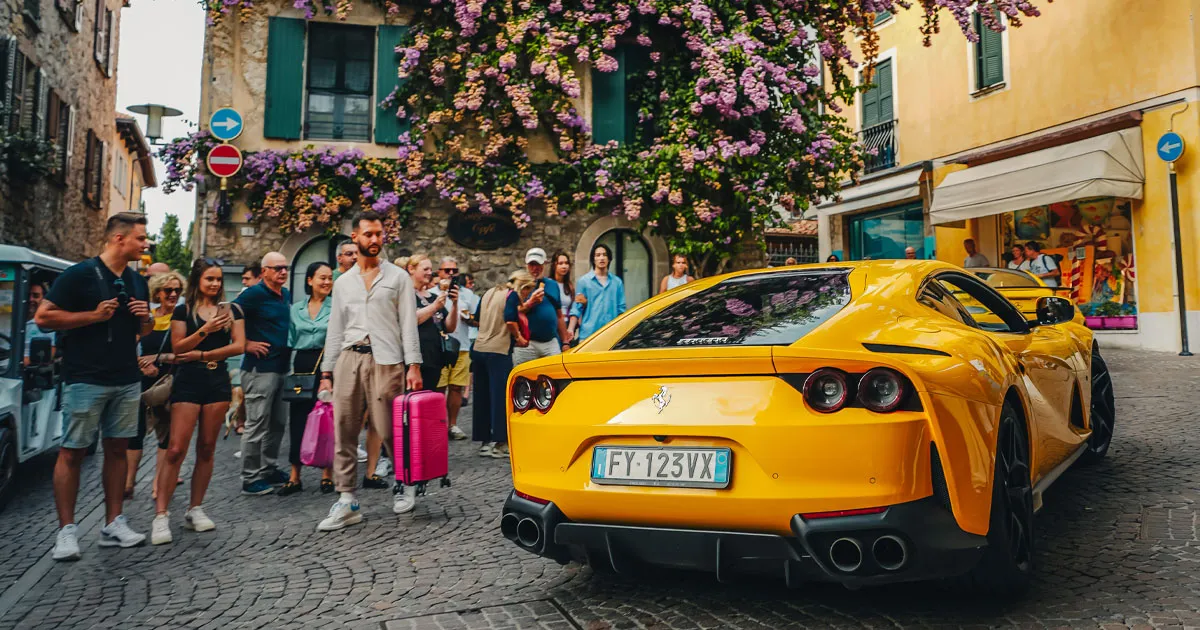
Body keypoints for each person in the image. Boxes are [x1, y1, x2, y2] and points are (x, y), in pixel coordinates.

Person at [35, 212, 153, 561]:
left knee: (118, 451)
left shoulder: (136, 280)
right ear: (119, 239)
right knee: (73, 452)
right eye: (141, 238)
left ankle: (113, 523)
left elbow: (142, 332)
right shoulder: (79, 275)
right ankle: (66, 532)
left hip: (126, 378)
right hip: (84, 377)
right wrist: (92, 316)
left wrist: (144, 317)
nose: (145, 245)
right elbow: (43, 317)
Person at [317, 212, 424, 531]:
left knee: (389, 428)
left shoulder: (398, 278)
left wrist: (413, 364)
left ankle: (404, 483)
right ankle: (347, 498)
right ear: (355, 238)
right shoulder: (343, 283)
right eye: (368, 235)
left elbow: (408, 323)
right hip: (350, 358)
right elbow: (334, 328)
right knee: (345, 429)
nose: (375, 240)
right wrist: (327, 371)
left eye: (379, 234)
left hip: (387, 359)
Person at [151, 258, 246, 545]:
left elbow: (239, 345)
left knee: (207, 447)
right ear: (198, 281)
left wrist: (204, 354)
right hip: (188, 380)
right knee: (176, 448)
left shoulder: (233, 310)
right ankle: (161, 515)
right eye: (210, 279)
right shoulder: (183, 310)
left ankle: (195, 508)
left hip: (216, 380)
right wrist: (206, 330)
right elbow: (178, 347)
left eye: (218, 279)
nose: (216, 284)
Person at [234, 252, 292, 496]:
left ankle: (268, 468)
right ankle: (250, 478)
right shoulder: (252, 294)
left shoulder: (285, 294)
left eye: (285, 267)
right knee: (256, 423)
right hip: (259, 370)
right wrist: (245, 344)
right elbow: (228, 316)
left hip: (281, 367)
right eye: (277, 268)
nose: (283, 272)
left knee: (277, 423)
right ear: (264, 271)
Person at [280, 262, 335, 497]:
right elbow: (290, 341)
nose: (326, 282)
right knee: (298, 420)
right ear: (310, 280)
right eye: (322, 278)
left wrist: (329, 373)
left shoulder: (336, 307)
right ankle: (295, 475)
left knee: (327, 420)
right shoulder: (295, 309)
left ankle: (327, 474)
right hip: (302, 364)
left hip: (329, 364)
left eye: (330, 278)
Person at [129, 271, 185, 501]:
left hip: (170, 382)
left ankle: (158, 483)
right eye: (168, 290)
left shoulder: (182, 319)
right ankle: (128, 481)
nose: (172, 294)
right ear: (157, 293)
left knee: (167, 435)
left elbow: (185, 353)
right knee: (135, 432)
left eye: (177, 290)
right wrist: (141, 366)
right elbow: (130, 346)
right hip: (142, 381)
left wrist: (158, 360)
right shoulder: (147, 318)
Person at [474, 270, 532, 459]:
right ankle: (500, 443)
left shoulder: (489, 293)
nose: (526, 296)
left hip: (480, 348)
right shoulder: (512, 295)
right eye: (527, 291)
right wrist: (519, 337)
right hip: (499, 350)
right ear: (523, 287)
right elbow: (509, 320)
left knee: (482, 397)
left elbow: (475, 317)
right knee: (501, 397)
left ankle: (484, 442)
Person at [431, 257, 475, 441]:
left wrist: (468, 317)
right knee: (439, 388)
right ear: (439, 272)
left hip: (461, 344)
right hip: (439, 346)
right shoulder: (431, 293)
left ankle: (453, 424)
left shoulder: (467, 294)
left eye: (454, 271)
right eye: (446, 270)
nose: (450, 274)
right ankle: (438, 424)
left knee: (456, 387)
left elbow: (475, 317)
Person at [408, 254, 459, 393]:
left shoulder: (433, 297)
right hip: (414, 361)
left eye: (431, 269)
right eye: (425, 269)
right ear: (411, 269)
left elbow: (449, 327)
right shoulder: (405, 294)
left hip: (434, 359)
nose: (430, 273)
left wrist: (454, 304)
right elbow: (411, 320)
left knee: (429, 402)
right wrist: (434, 307)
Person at [508, 248, 564, 366]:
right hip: (527, 344)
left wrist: (565, 342)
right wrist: (530, 303)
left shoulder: (552, 285)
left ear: (545, 264)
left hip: (550, 342)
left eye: (538, 264)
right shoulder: (519, 285)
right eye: (532, 265)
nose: (535, 268)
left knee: (556, 378)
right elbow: (511, 314)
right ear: (526, 265)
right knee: (523, 380)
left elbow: (559, 314)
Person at [570, 244, 627, 342]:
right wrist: (570, 329)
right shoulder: (583, 282)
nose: (601, 258)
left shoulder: (617, 282)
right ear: (593, 259)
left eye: (604, 255)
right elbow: (576, 308)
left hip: (611, 335)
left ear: (609, 259)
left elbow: (621, 310)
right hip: (588, 335)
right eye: (598, 255)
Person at [548, 251, 576, 348]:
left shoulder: (569, 286)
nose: (564, 266)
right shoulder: (549, 284)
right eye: (560, 263)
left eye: (566, 263)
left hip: (567, 325)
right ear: (554, 265)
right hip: (554, 326)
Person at [23, 282, 54, 365]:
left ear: (43, 299)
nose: (31, 299)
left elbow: (49, 355)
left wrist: (22, 362)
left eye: (35, 296)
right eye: (28, 295)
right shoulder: (14, 319)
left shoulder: (47, 324)